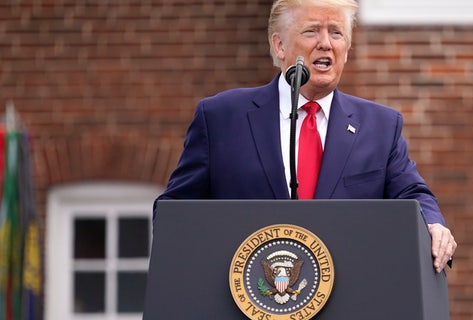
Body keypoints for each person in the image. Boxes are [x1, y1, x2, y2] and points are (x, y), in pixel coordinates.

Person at [155, 0, 457, 273]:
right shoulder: (221, 118)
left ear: (347, 49)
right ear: (279, 46)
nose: (326, 43)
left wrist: (433, 224)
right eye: (312, 31)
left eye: (336, 33)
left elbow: (414, 195)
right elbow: (174, 213)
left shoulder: (380, 126)